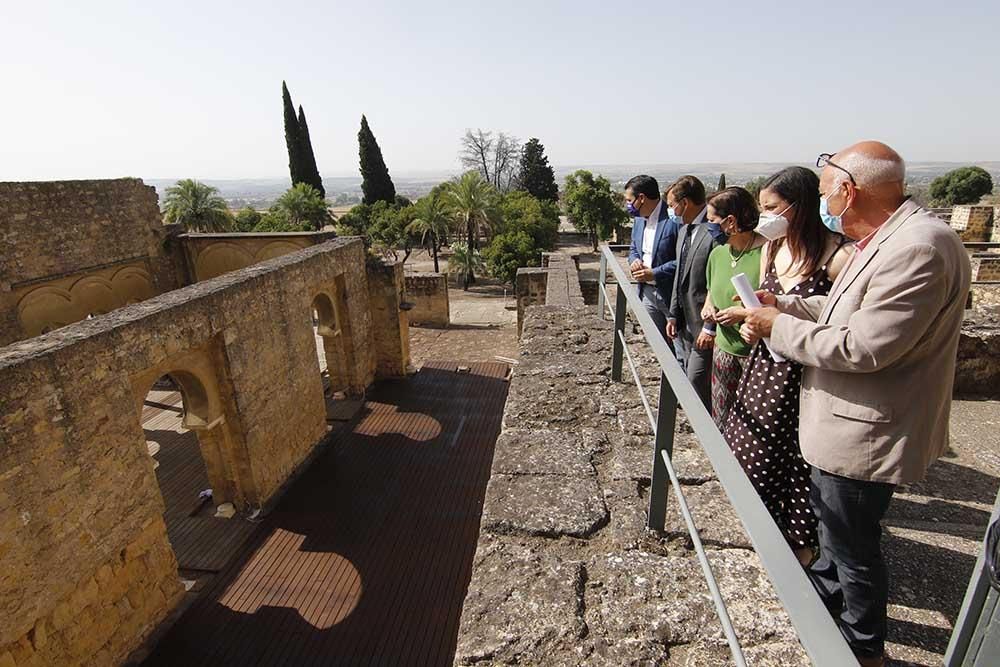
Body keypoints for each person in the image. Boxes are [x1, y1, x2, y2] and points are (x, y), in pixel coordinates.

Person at [743, 142, 972, 666]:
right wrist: (788, 304)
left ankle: (860, 648)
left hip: (865, 433)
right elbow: (845, 308)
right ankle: (822, 614)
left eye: (825, 193)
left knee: (853, 548)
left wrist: (777, 327)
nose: (823, 206)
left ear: (848, 190)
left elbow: (863, 346)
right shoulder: (886, 240)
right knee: (833, 535)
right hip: (846, 426)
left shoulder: (919, 247)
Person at [715, 166, 851, 568]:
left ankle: (798, 557)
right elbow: (769, 304)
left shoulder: (839, 257)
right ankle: (761, 542)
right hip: (765, 369)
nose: (765, 217)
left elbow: (842, 323)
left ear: (801, 206)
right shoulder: (773, 249)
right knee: (749, 456)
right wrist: (754, 319)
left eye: (772, 208)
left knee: (795, 469)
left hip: (806, 378)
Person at [699, 187, 766, 427]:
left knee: (754, 422)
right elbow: (711, 290)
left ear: (730, 222)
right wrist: (709, 309)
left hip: (757, 355)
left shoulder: (767, 253)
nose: (708, 227)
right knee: (722, 417)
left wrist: (742, 314)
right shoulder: (718, 254)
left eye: (711, 221)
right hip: (723, 349)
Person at [665, 176, 724, 408]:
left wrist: (710, 326)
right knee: (695, 380)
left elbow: (718, 281)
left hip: (704, 324)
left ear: (685, 203)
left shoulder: (714, 232)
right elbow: (679, 276)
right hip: (685, 323)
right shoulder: (683, 231)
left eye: (672, 205)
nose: (671, 210)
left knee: (696, 380)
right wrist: (672, 314)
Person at [626, 175, 679, 340]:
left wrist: (655, 273)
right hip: (647, 293)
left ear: (641, 198)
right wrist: (634, 260)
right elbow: (634, 247)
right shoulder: (638, 219)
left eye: (629, 200)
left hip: (671, 297)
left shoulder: (674, 218)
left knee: (678, 350)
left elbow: (686, 259)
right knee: (657, 345)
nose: (627, 205)